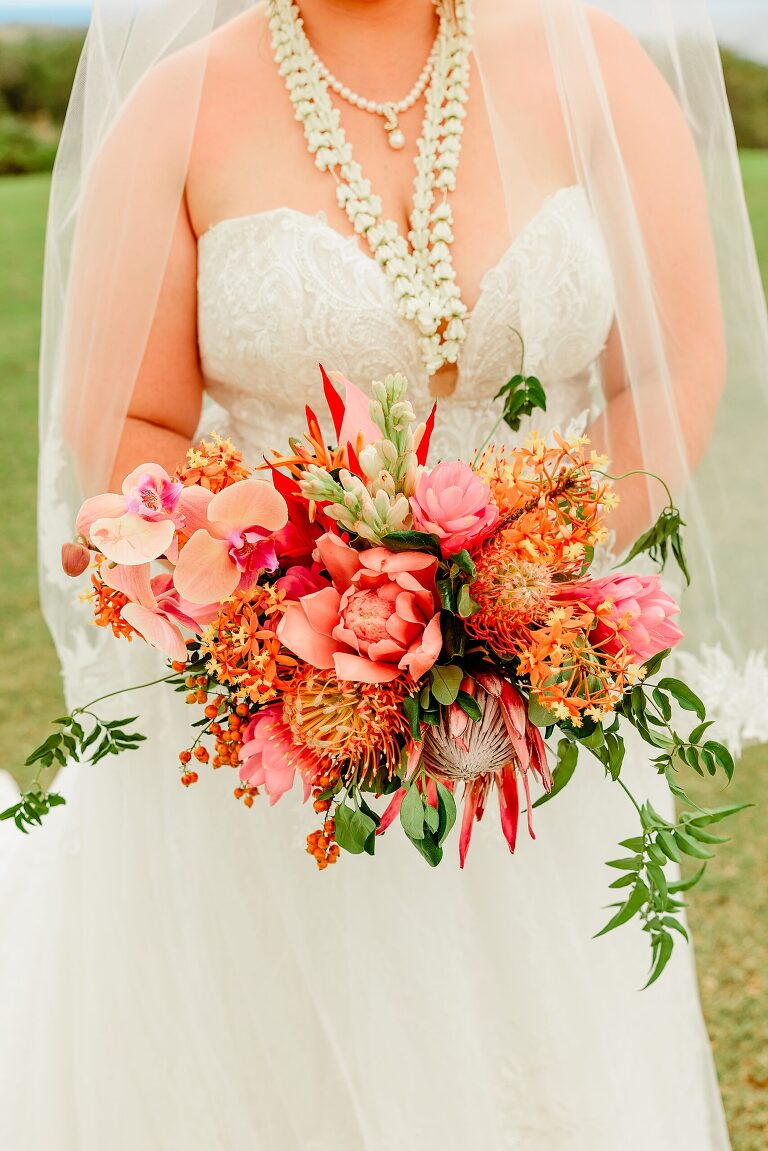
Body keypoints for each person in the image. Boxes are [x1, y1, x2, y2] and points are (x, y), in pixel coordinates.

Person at [3, 0, 766, 1146]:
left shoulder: (593, 65)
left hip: (537, 706)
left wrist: (526, 592)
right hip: (280, 719)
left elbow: (668, 364)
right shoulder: (179, 107)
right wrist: (292, 607)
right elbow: (133, 419)